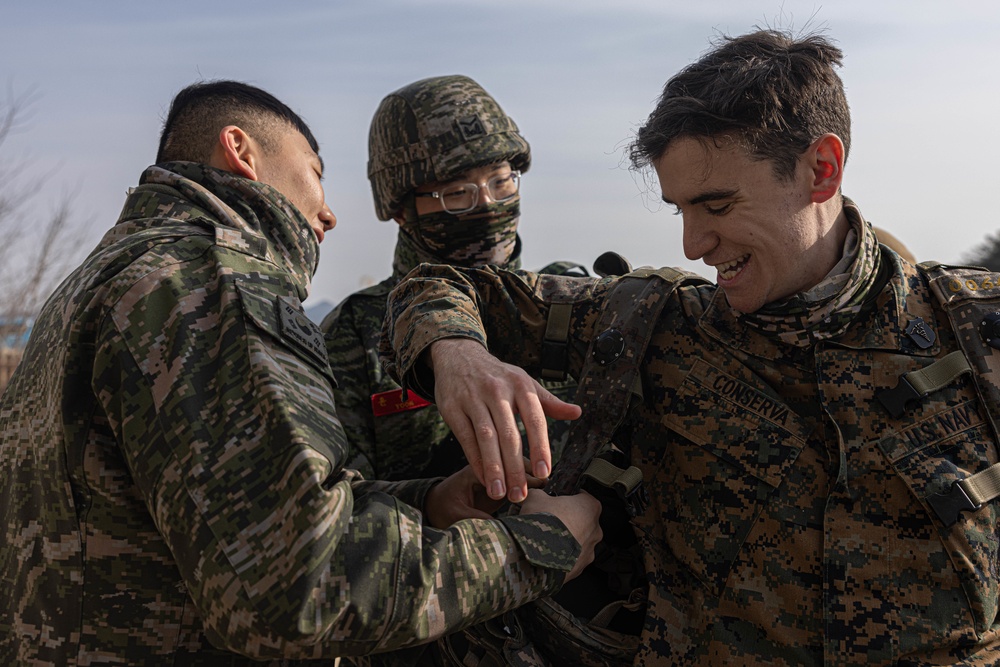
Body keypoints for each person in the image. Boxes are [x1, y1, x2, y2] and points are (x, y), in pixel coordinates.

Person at [382, 30, 1000, 664]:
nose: (693, 245)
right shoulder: (653, 323)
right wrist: (459, 355)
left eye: (717, 205)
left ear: (822, 170)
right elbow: (438, 286)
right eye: (679, 210)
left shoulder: (975, 326)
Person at [0, 80, 602, 666]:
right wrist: (541, 546)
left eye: (500, 181)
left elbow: (247, 514)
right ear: (241, 151)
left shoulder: (103, 280)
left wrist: (428, 501)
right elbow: (303, 587)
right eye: (315, 171)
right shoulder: (205, 286)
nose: (329, 212)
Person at [321, 74, 583, 485]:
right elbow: (346, 500)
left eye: (501, 182)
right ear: (402, 210)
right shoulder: (354, 333)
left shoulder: (568, 300)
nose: (488, 205)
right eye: (457, 193)